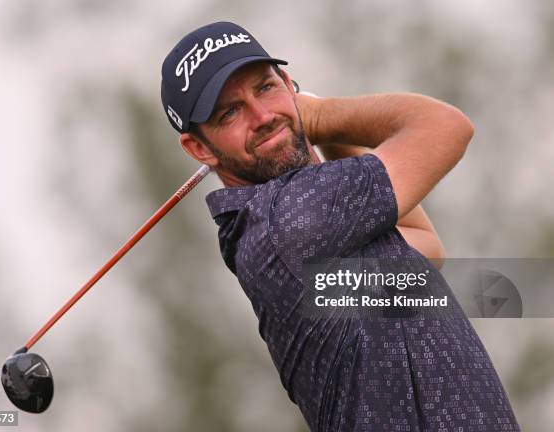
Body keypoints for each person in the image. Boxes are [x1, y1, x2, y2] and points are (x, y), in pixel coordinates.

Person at [161, 21, 521, 431]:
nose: (262, 116)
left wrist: (318, 131)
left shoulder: (276, 235)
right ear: (198, 147)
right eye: (230, 112)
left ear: (287, 82)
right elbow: (446, 127)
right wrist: (317, 114)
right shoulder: (289, 218)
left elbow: (423, 249)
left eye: (265, 88)